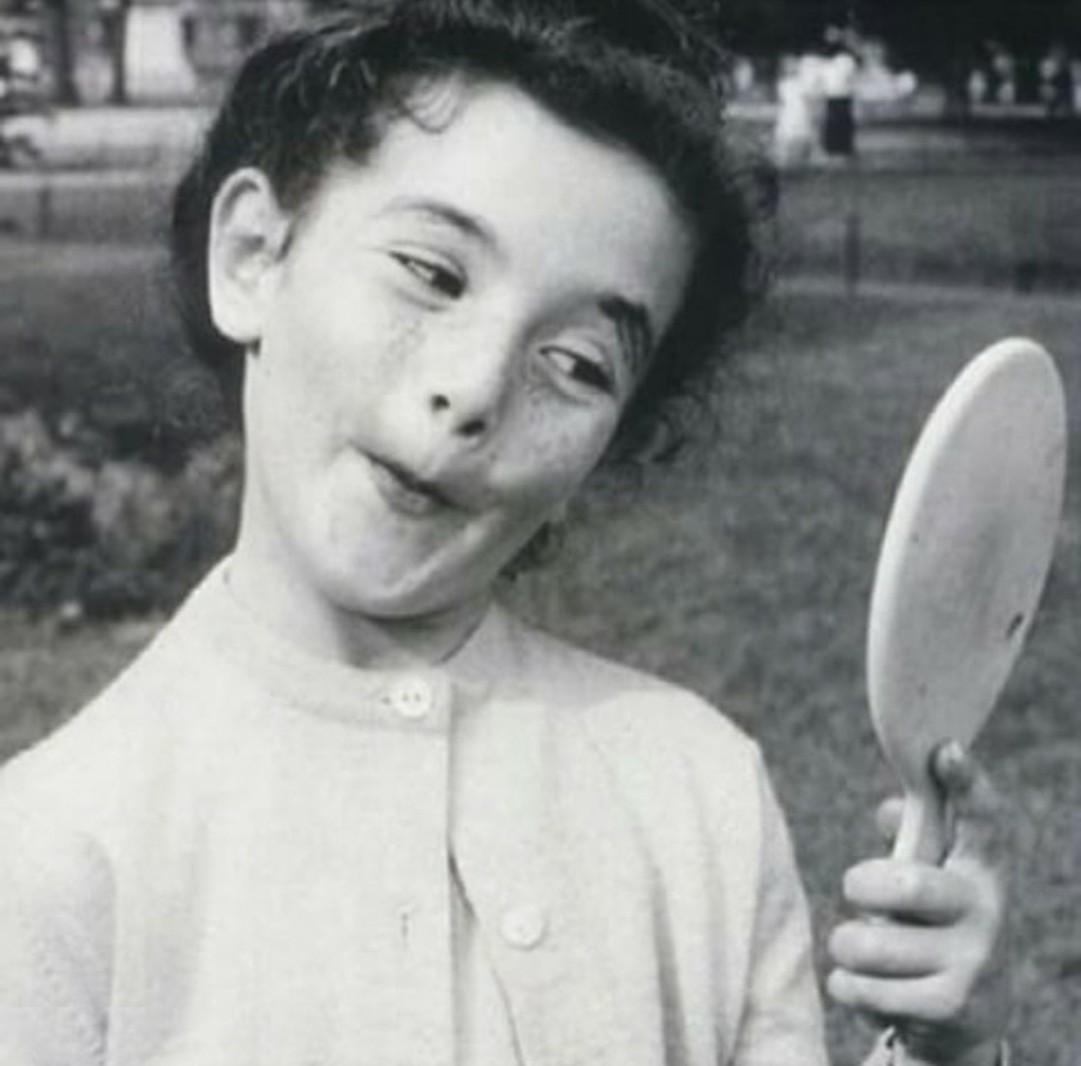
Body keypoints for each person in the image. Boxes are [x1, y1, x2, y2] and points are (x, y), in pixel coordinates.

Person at [0, 4, 1012, 1064]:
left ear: (608, 446)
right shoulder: (56, 856)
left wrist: (947, 1051)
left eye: (575, 364)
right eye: (431, 274)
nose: (477, 389)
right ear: (253, 255)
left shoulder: (696, 791)